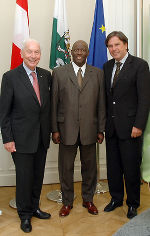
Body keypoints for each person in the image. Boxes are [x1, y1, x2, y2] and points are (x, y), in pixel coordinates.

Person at [0, 39, 52, 233]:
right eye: (29, 52)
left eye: (37, 52)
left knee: (38, 176)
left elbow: (47, 108)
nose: (33, 56)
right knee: (24, 178)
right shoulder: (10, 77)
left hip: (41, 137)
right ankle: (25, 215)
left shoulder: (46, 76)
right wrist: (7, 138)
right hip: (20, 139)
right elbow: (4, 112)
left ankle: (35, 207)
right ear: (22, 54)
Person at [51, 40, 106, 217]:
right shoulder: (59, 73)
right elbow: (54, 104)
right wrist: (55, 129)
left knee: (89, 167)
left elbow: (101, 104)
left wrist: (101, 129)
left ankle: (88, 199)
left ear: (88, 52)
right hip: (66, 129)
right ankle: (67, 201)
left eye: (83, 49)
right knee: (65, 167)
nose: (80, 52)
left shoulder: (97, 73)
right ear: (71, 52)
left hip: (90, 129)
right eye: (76, 49)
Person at [103, 31, 150, 219]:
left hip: (131, 128)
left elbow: (145, 99)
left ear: (125, 44)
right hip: (112, 127)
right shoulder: (107, 67)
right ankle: (116, 199)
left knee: (131, 168)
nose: (113, 49)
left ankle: (132, 203)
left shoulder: (139, 65)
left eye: (117, 45)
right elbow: (108, 99)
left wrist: (139, 125)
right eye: (110, 46)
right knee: (113, 167)